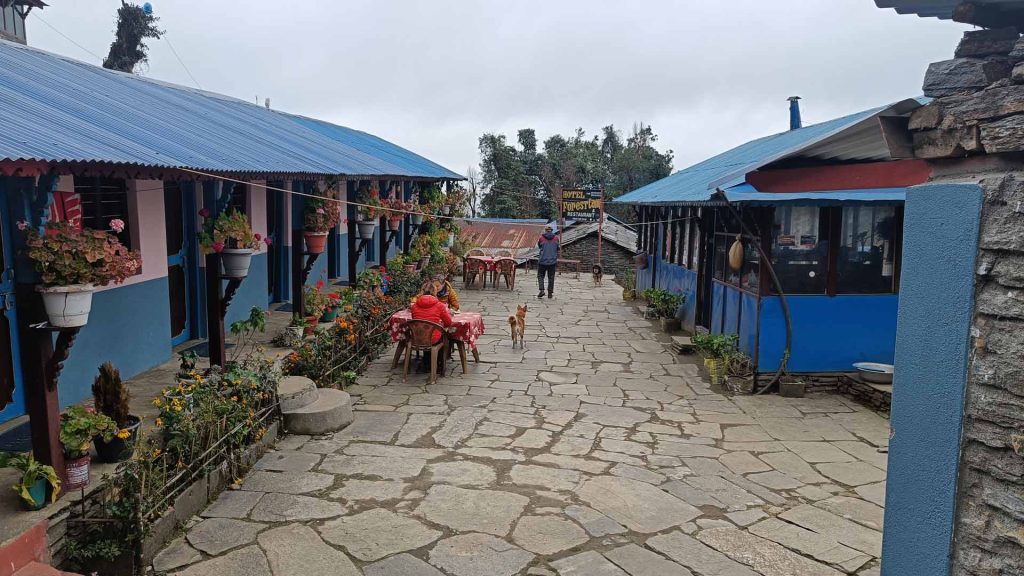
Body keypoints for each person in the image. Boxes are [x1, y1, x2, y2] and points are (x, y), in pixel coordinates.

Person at [536, 225, 560, 299]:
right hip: (552, 261)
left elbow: (540, 246)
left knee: (540, 276)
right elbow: (557, 248)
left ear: (545, 230)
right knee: (551, 277)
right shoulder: (556, 238)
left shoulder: (541, 238)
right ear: (552, 230)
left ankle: (542, 290)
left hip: (542, 260)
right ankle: (550, 293)